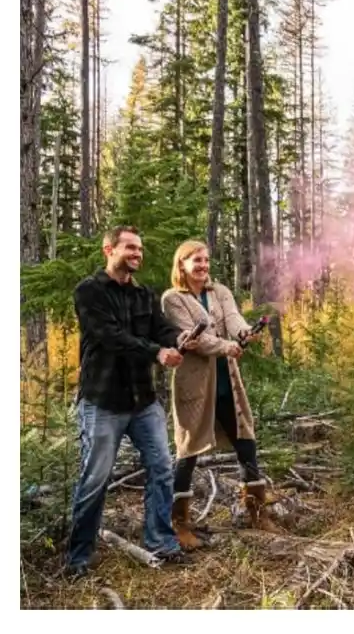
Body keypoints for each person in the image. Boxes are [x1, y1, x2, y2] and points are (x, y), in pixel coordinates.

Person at [66, 225, 197, 577]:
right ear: (108, 250)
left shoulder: (143, 294)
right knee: (95, 478)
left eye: (139, 248)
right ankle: (78, 558)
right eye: (130, 248)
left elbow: (160, 328)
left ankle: (161, 543)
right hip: (102, 401)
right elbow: (109, 336)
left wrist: (178, 337)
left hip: (143, 402)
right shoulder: (89, 291)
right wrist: (157, 353)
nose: (137, 253)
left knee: (161, 468)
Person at [162, 239, 280, 548]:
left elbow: (233, 319)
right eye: (196, 260)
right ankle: (179, 522)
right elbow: (194, 340)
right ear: (182, 265)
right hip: (194, 383)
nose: (203, 265)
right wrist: (227, 346)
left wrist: (244, 332)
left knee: (245, 439)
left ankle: (256, 511)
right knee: (188, 448)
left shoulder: (220, 292)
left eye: (206, 260)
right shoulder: (172, 299)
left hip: (227, 380)